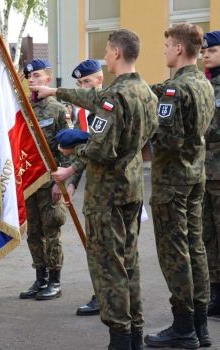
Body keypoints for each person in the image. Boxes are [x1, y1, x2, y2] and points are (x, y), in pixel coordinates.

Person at [31, 29, 158, 349]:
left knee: (108, 266)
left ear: (116, 53)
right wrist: (54, 90)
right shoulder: (146, 92)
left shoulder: (116, 97)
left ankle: (119, 337)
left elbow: (100, 147)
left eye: (107, 51)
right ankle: (134, 335)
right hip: (131, 189)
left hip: (107, 195)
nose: (105, 56)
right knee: (129, 263)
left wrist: (71, 166)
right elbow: (142, 137)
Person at [144, 24, 215, 349]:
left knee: (175, 255)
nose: (165, 50)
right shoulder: (202, 83)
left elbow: (169, 138)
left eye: (167, 44)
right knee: (196, 249)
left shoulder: (175, 90)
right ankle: (200, 325)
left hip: (171, 181)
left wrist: (147, 136)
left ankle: (183, 327)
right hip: (194, 176)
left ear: (179, 49)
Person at [19, 59, 70, 301]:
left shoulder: (58, 110)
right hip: (29, 180)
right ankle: (40, 278)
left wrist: (61, 181)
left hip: (50, 180)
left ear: (47, 79)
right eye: (29, 76)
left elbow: (68, 147)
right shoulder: (21, 110)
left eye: (37, 75)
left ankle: (55, 280)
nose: (32, 79)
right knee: (34, 233)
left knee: (52, 231)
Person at [68, 59, 104, 317]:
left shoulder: (109, 105)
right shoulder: (81, 113)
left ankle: (114, 297)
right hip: (94, 187)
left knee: (114, 246)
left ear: (100, 79)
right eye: (80, 84)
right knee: (96, 244)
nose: (84, 88)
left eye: (87, 82)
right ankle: (101, 293)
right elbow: (82, 152)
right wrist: (72, 182)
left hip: (116, 186)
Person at [202, 30, 220, 321]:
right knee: (209, 236)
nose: (206, 54)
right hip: (205, 173)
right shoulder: (205, 85)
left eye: (212, 50)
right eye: (204, 51)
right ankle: (216, 293)